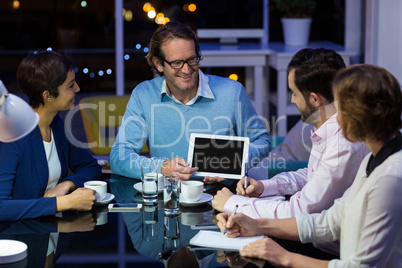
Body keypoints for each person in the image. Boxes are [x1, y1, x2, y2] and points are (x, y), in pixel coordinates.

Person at [216, 64, 402, 267]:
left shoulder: (390, 178)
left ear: (362, 116)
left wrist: (283, 257)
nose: (336, 118)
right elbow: (331, 220)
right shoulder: (374, 159)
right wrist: (256, 225)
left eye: (340, 108)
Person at [212, 48, 369, 225]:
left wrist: (233, 203)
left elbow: (299, 211)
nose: (292, 100)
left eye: (294, 93)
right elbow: (314, 176)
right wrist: (266, 186)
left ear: (315, 100)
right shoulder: (329, 128)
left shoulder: (342, 145)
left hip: (321, 244)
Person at [110, 21, 270, 181]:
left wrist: (228, 164)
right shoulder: (143, 94)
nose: (186, 70)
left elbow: (262, 142)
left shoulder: (232, 91)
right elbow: (119, 156)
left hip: (224, 195)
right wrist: (161, 167)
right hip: (170, 198)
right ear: (158, 64)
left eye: (192, 60)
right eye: (177, 63)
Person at [0, 51, 102, 222]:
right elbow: (1, 208)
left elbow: (91, 166)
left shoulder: (56, 125)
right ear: (47, 96)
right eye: (70, 85)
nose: (77, 88)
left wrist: (67, 184)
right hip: (20, 240)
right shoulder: (13, 136)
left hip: (50, 234)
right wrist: (64, 202)